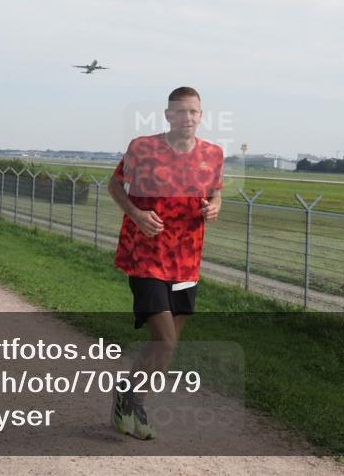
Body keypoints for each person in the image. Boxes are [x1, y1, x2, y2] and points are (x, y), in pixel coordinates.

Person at [107, 86, 223, 440]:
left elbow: (215, 192)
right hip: (146, 255)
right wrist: (137, 213)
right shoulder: (143, 148)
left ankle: (131, 403)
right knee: (166, 341)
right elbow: (114, 185)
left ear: (201, 116)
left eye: (194, 112)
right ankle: (128, 401)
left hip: (187, 261)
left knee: (167, 346)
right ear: (168, 115)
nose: (187, 118)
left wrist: (216, 206)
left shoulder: (213, 155)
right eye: (180, 112)